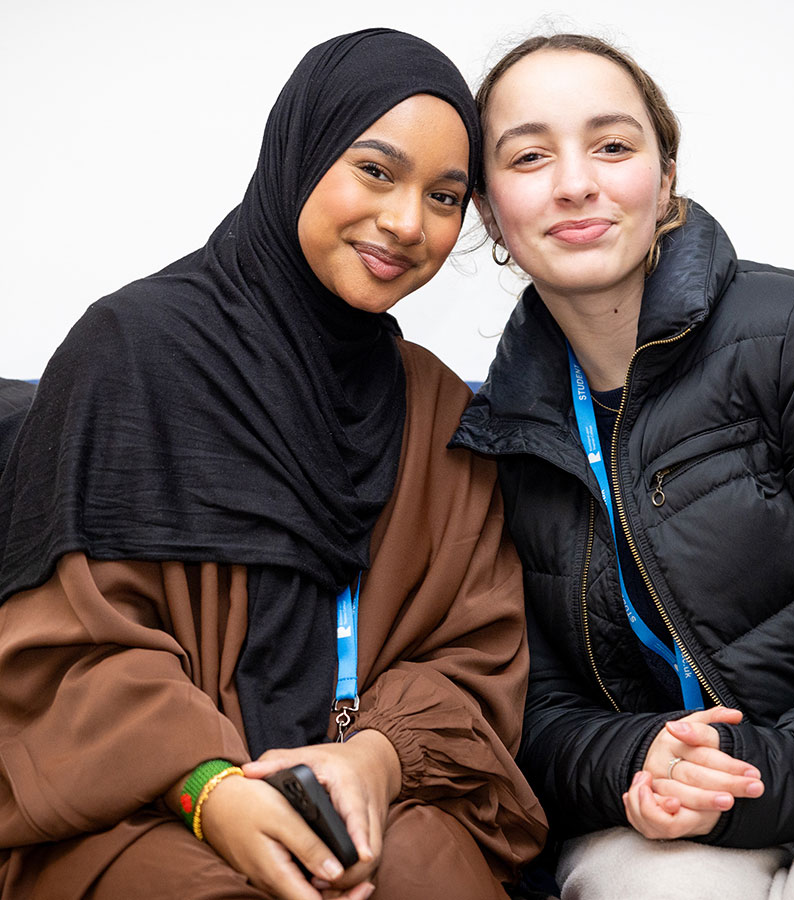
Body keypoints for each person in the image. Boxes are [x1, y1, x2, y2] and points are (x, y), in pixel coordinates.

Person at [0, 28, 546, 900]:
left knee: (425, 877)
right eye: (375, 170)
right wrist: (206, 787)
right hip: (141, 803)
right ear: (301, 153)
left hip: (371, 802)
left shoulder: (441, 411)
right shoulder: (132, 353)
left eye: (445, 197)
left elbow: (473, 654)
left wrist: (377, 758)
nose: (408, 222)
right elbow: (65, 647)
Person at [451, 32, 794, 900]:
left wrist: (753, 771)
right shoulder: (494, 433)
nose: (575, 182)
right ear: (488, 212)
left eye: (612, 146)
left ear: (663, 181)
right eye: (530, 155)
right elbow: (524, 710)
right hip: (651, 810)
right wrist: (637, 760)